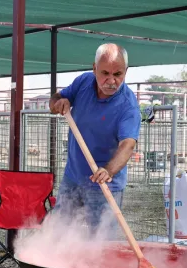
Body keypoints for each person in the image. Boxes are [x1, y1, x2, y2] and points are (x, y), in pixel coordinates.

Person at [49, 43, 141, 237]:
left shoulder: (128, 106)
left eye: (118, 75)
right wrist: (58, 102)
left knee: (101, 242)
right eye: (105, 73)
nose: (111, 81)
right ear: (94, 69)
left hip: (104, 185)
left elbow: (128, 145)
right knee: (57, 232)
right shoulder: (83, 82)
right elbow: (55, 99)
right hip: (72, 177)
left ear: (126, 71)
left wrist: (108, 170)